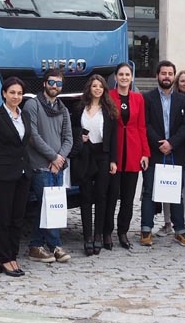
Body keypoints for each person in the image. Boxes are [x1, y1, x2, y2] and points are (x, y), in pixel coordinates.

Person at [0, 77, 32, 277]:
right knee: (4, 219)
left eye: (19, 93)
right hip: (3, 175)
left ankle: (13, 256)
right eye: (12, 92)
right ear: (4, 93)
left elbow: (25, 144)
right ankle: (4, 259)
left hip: (22, 174)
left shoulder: (25, 116)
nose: (16, 96)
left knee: (18, 219)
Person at [140, 61, 185, 248]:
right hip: (154, 152)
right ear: (157, 76)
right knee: (148, 191)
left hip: (175, 152)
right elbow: (145, 124)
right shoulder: (147, 98)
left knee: (176, 192)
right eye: (163, 73)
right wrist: (159, 143)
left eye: (170, 73)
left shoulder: (184, 100)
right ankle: (146, 229)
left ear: (174, 76)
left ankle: (180, 230)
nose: (167, 77)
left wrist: (172, 143)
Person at [23, 69, 73, 263]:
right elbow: (33, 136)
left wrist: (59, 158)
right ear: (44, 83)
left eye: (59, 84)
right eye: (52, 82)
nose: (55, 87)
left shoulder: (63, 108)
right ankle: (54, 245)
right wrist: (53, 157)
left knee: (52, 207)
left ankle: (38, 245)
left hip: (57, 166)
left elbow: (68, 137)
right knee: (45, 205)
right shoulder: (32, 105)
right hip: (40, 166)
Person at [72, 74, 118, 255]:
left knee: (101, 196)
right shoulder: (79, 108)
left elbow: (113, 138)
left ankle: (98, 234)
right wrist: (79, 136)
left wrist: (113, 160)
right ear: (89, 89)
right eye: (94, 86)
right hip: (85, 154)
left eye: (100, 86)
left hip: (103, 155)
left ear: (104, 89)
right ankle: (87, 237)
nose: (97, 89)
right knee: (85, 196)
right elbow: (72, 129)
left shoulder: (109, 110)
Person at [108, 63, 150, 250]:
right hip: (114, 152)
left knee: (128, 197)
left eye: (127, 74)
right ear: (115, 77)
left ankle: (123, 231)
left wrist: (145, 153)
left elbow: (141, 127)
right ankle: (106, 231)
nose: (124, 77)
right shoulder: (109, 97)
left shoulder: (138, 98)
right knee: (111, 195)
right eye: (121, 74)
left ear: (132, 77)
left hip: (133, 151)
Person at [159, 69, 185, 237]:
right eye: (182, 81)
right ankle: (168, 222)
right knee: (168, 187)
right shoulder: (172, 99)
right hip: (173, 148)